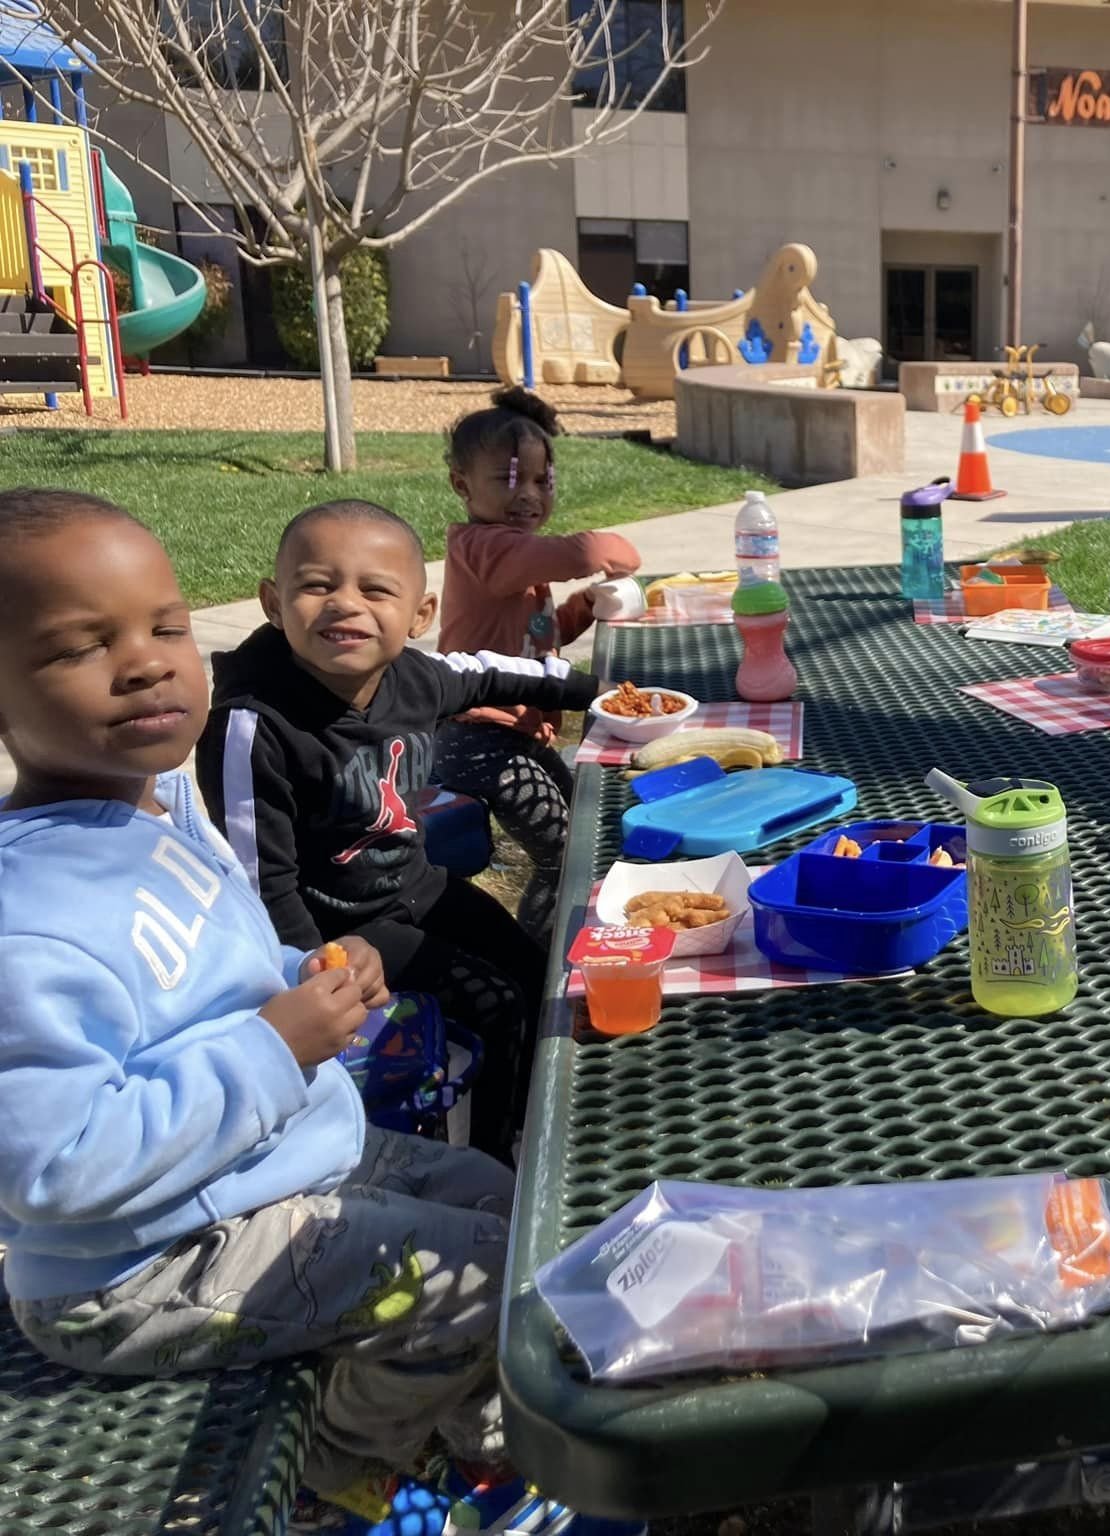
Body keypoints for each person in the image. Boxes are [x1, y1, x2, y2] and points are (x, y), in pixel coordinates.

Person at [0, 490, 537, 1531]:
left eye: (165, 628)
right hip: (144, 1264)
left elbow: (216, 968)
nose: (149, 662)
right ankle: (325, 1482)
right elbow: (52, 1168)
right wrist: (270, 1048)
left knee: (504, 1201)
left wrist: (303, 971)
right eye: (81, 646)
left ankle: (468, 1428)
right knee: (478, 1281)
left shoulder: (151, 801)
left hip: (273, 1160)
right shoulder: (29, 918)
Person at [197, 499, 600, 1164]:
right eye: (317, 585)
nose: (344, 604)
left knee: (541, 972)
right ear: (273, 602)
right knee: (498, 1005)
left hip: (418, 889)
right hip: (341, 930)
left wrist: (601, 692)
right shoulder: (252, 725)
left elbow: (495, 672)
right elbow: (259, 882)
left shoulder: (415, 677)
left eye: (375, 588)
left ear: (421, 614)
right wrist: (312, 976)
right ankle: (497, 1168)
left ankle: (548, 1117)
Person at [433, 387, 640, 940]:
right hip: (477, 738)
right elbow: (584, 554)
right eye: (508, 479)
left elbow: (536, 639)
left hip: (518, 733)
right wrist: (610, 550)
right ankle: (541, 960)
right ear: (462, 485)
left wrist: (582, 608)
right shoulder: (481, 548)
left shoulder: (513, 552)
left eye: (541, 481)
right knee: (562, 849)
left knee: (586, 826)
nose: (527, 495)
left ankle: (576, 933)